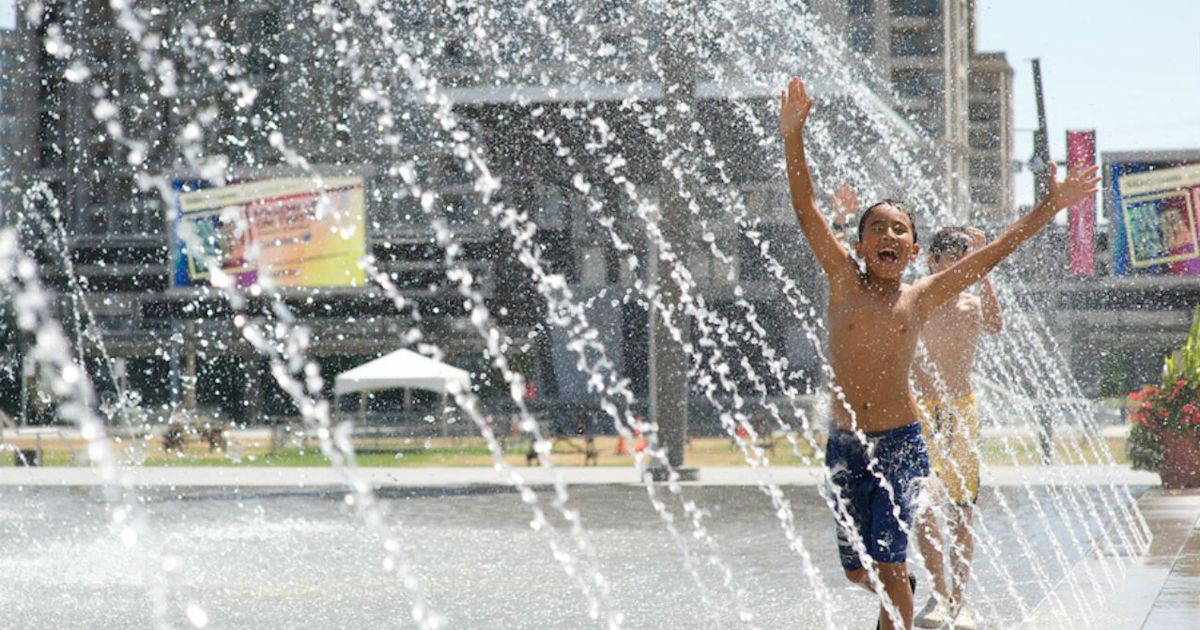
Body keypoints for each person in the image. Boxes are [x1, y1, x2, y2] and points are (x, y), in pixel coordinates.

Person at [779, 76, 1098, 630]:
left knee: (889, 563)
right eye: (877, 229)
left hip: (902, 443)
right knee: (858, 570)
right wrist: (793, 135)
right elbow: (806, 209)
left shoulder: (919, 296)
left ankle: (899, 594)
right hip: (845, 445)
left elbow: (993, 254)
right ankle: (900, 588)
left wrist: (1051, 206)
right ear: (860, 245)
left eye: (899, 230)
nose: (888, 235)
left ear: (913, 250)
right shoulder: (843, 281)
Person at [911, 227, 1003, 630]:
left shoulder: (972, 304)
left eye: (965, 258)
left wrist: (985, 270)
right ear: (932, 260)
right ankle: (937, 593)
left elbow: (997, 324)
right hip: (921, 413)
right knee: (923, 504)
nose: (959, 265)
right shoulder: (917, 300)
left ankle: (960, 600)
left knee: (962, 510)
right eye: (951, 257)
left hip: (962, 413)